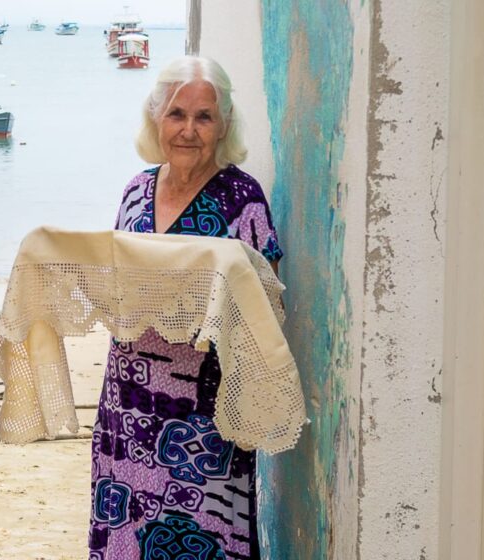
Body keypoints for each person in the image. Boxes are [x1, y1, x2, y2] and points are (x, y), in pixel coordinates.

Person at [89, 56, 283, 560]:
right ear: (157, 118)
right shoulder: (135, 190)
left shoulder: (243, 198)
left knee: (203, 539)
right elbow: (116, 280)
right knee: (127, 537)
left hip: (204, 417)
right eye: (177, 114)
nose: (189, 130)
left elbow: (265, 307)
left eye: (204, 117)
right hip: (127, 405)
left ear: (223, 126)